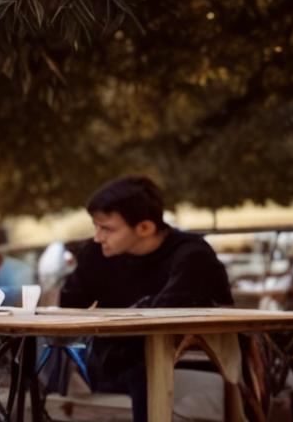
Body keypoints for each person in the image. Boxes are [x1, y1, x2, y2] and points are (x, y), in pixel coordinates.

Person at [59, 176, 233, 421]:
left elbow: (166, 316)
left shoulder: (192, 255)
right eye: (96, 227)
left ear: (145, 228)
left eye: (106, 228)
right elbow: (68, 305)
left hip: (187, 361)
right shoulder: (97, 254)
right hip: (118, 364)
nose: (98, 237)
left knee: (145, 372)